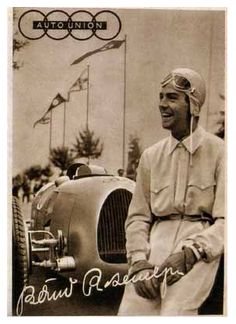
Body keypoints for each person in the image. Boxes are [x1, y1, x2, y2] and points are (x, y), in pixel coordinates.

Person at [118, 68, 225, 316]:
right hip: (155, 244)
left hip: (200, 248)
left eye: (171, 98)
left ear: (194, 105)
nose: (162, 105)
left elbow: (226, 221)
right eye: (161, 97)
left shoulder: (220, 152)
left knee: (175, 313)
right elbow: (138, 217)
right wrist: (138, 262)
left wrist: (190, 255)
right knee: (131, 312)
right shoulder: (151, 156)